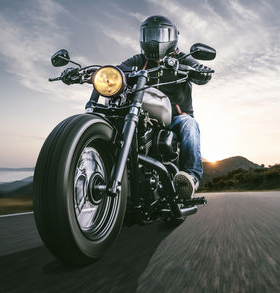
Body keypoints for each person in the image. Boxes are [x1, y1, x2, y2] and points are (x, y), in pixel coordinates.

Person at [90, 15, 212, 199]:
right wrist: (99, 74)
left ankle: (191, 178)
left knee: (190, 125)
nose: (154, 41)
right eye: (150, 35)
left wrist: (201, 71)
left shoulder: (183, 59)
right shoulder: (139, 60)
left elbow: (196, 67)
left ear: (172, 37)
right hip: (141, 115)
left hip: (175, 117)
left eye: (160, 35)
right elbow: (116, 70)